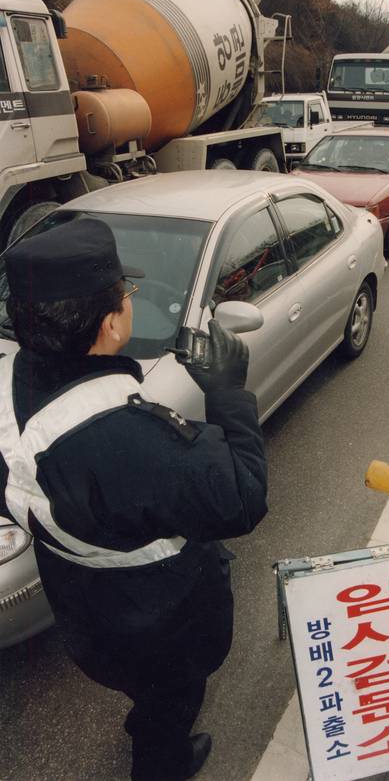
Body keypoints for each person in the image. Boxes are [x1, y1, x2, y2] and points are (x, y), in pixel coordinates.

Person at [0, 217, 268, 780]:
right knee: (170, 699)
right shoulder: (134, 440)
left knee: (141, 686)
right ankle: (160, 759)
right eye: (126, 292)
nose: (130, 301)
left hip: (82, 612)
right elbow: (243, 498)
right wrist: (228, 393)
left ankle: (150, 718)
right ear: (108, 323)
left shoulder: (11, 387)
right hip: (157, 621)